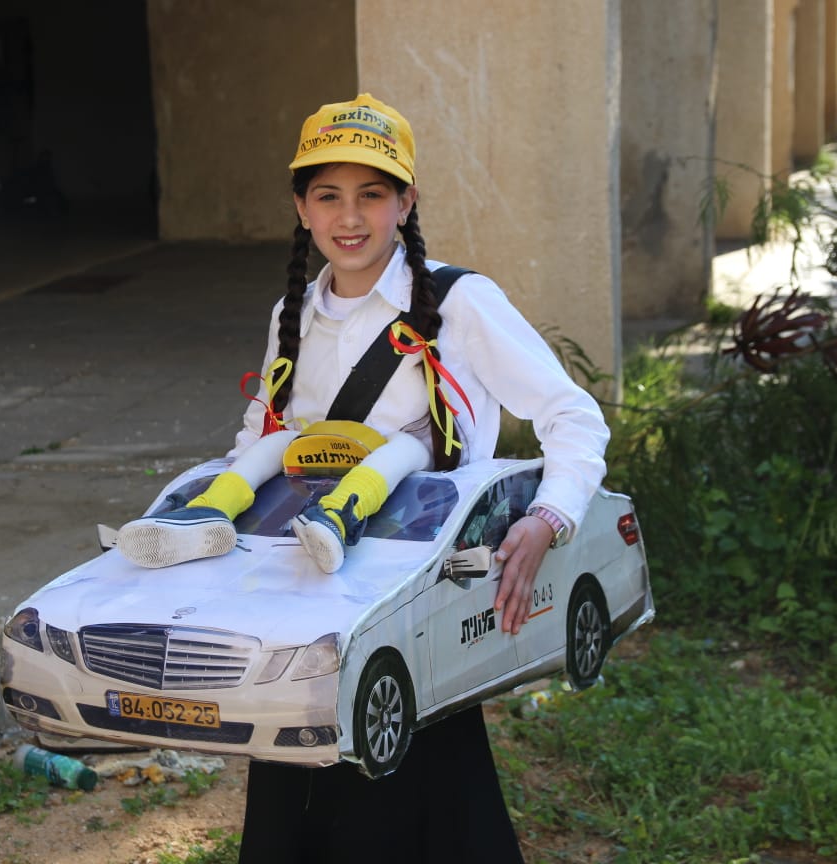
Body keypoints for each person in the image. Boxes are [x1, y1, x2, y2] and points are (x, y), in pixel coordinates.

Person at [122, 93, 610, 862]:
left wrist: (547, 518)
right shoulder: (293, 313)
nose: (349, 218)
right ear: (301, 207)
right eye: (328, 196)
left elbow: (573, 416)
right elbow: (262, 438)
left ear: (405, 202)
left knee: (417, 794)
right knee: (295, 788)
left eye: (372, 194)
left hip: (417, 597)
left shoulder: (461, 303)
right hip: (302, 599)